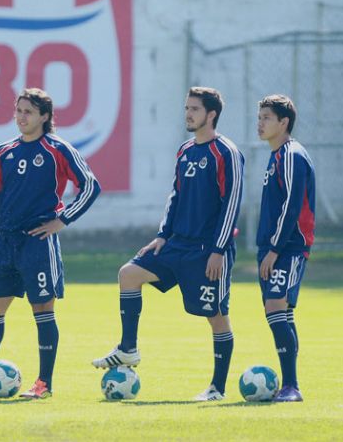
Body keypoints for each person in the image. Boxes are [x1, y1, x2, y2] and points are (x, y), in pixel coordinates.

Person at [0, 88, 101, 399]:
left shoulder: (58, 149)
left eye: (28, 111)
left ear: (44, 116)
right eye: (18, 110)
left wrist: (62, 219)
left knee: (41, 308)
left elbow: (90, 186)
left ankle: (44, 384)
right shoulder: (5, 152)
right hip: (5, 243)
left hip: (38, 243)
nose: (21, 117)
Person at [92, 86, 244, 401]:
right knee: (128, 274)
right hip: (176, 244)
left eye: (194, 109)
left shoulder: (225, 151)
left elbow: (232, 202)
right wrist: (162, 235)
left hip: (207, 251)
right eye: (186, 108)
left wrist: (218, 250)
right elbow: (175, 196)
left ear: (211, 114)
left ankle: (217, 388)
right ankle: (128, 349)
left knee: (215, 316)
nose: (188, 113)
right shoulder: (185, 150)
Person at [255, 94, 315, 402]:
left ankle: (292, 386)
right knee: (280, 313)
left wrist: (275, 248)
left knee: (276, 307)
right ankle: (288, 385)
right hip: (273, 246)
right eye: (259, 117)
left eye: (266, 117)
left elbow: (292, 205)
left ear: (284, 122)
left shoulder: (292, 154)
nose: (260, 123)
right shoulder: (276, 155)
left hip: (288, 247)